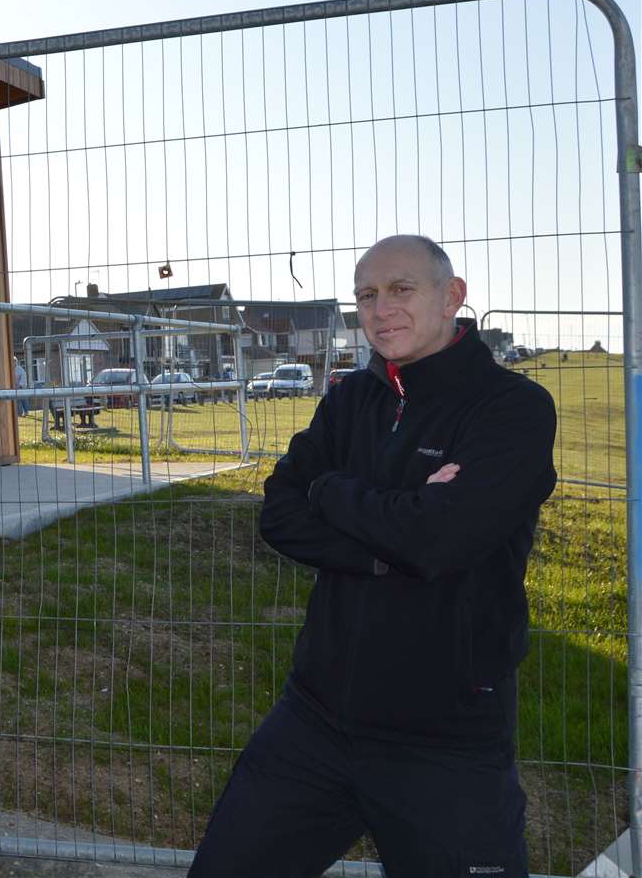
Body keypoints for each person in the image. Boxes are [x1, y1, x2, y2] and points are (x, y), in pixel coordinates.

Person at [189, 235, 555, 877]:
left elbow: (440, 539)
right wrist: (391, 539)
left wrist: (330, 491)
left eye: (400, 290)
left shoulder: (512, 409)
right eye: (366, 294)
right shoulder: (351, 400)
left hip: (444, 740)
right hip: (317, 718)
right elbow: (280, 512)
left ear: (454, 297)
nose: (381, 309)